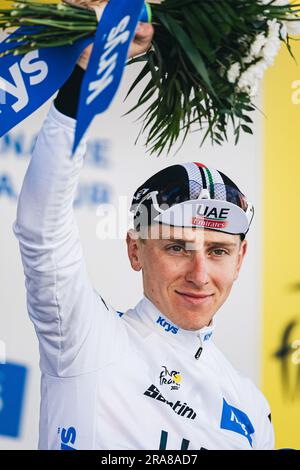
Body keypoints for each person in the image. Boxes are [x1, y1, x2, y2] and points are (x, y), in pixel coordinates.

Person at [13, 20, 274, 450]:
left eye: (218, 251)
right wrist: (86, 73)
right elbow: (41, 227)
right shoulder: (84, 339)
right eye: (177, 247)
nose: (200, 274)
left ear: (240, 258)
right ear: (136, 250)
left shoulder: (251, 407)